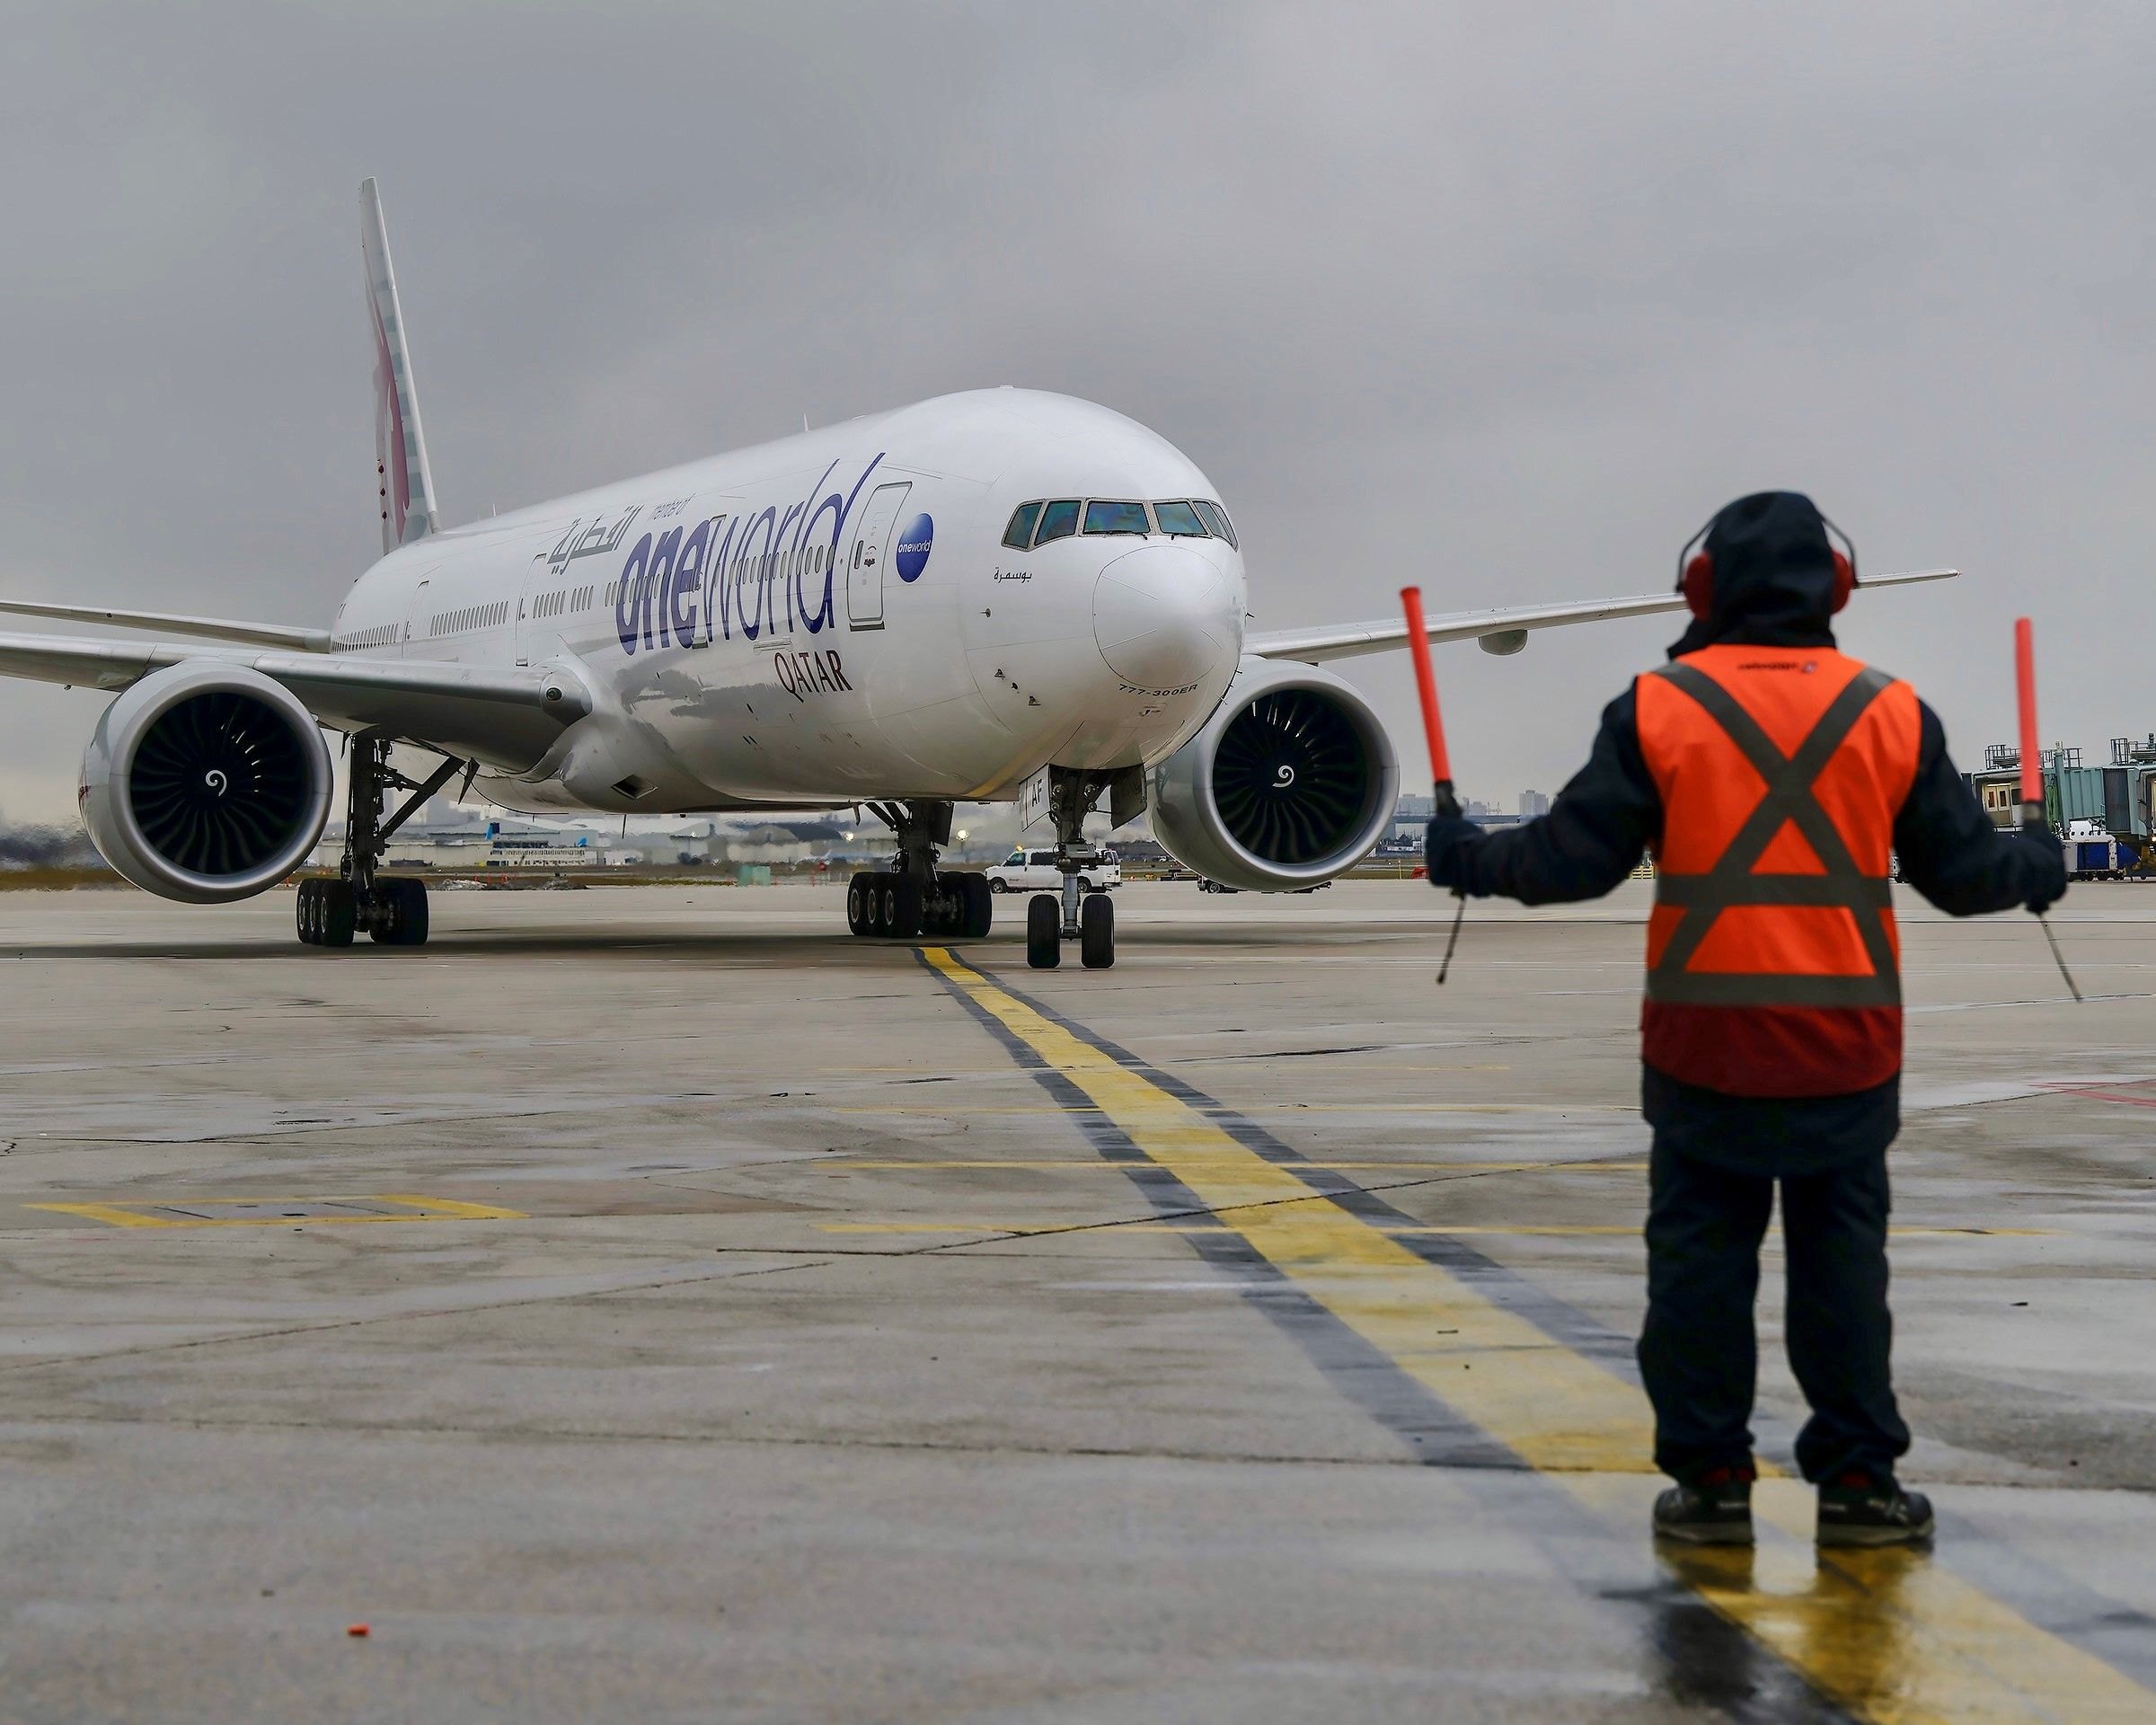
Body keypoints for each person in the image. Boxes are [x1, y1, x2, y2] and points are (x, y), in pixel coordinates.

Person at [1424, 492, 2065, 1547]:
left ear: (1703, 588)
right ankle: (1859, 1485)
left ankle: (1712, 1480)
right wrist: (2039, 865)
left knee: (1698, 1271)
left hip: (1702, 1050)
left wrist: (1465, 856)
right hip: (1846, 1054)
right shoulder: (1891, 712)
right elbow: (1964, 878)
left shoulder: (1658, 708)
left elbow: (1568, 865)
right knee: (1843, 1271)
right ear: (1837, 588)